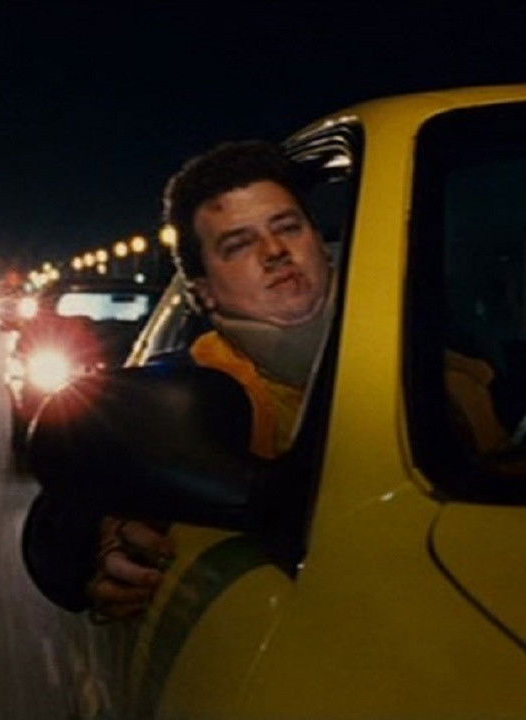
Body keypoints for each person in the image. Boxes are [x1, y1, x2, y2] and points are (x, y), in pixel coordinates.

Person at [23, 140, 335, 618]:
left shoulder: (431, 351)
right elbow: (79, 491)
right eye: (238, 245)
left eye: (287, 227)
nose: (274, 251)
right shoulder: (190, 386)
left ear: (320, 242)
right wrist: (93, 540)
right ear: (203, 292)